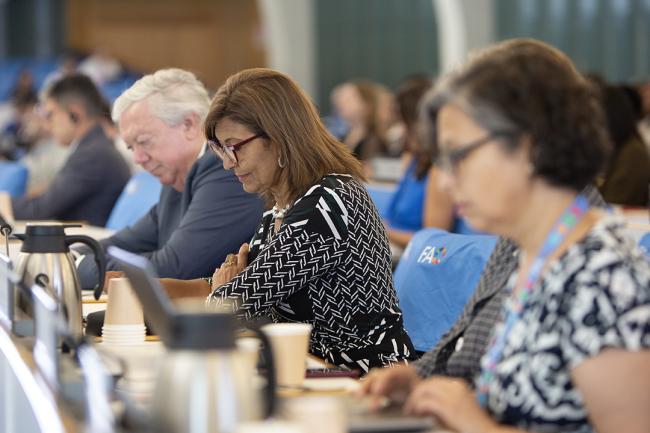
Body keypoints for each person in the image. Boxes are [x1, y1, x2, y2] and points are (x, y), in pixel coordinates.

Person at [361, 39, 649, 433]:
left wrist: (475, 423)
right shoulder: (532, 250)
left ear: (529, 145)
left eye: (457, 156)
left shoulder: (604, 276)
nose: (443, 180)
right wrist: (423, 385)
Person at [162, 68, 415, 372]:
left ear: (279, 137)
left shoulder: (329, 202)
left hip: (361, 374)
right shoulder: (277, 210)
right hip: (307, 368)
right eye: (220, 149)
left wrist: (228, 291)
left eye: (234, 146)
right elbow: (245, 292)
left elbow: (233, 305)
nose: (228, 163)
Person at [77, 68, 264, 286]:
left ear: (189, 124)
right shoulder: (176, 176)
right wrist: (72, 251)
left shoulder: (226, 171)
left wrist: (79, 266)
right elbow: (126, 242)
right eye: (131, 147)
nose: (137, 158)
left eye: (144, 141)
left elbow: (173, 269)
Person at [11, 74, 130, 226]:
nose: (47, 126)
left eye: (51, 115)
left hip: (85, 243)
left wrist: (5, 202)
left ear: (75, 114)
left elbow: (40, 209)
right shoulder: (94, 147)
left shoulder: (93, 155)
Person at [384, 75, 455, 249]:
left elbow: (434, 244)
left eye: (402, 122)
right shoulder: (413, 160)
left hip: (411, 257)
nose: (398, 131)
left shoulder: (438, 171)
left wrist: (381, 232)